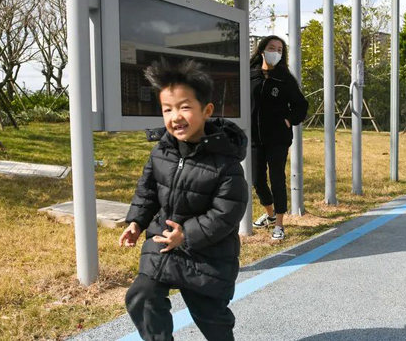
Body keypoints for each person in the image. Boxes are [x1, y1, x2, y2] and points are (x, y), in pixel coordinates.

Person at [119, 58, 248, 341]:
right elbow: (148, 191)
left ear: (206, 110)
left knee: (212, 319)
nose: (175, 116)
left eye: (185, 107)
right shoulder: (161, 152)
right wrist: (136, 223)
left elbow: (227, 213)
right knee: (142, 295)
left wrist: (186, 236)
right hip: (164, 244)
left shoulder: (226, 164)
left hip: (208, 254)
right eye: (168, 109)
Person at [250, 35, 309, 240]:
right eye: (272, 47)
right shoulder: (249, 75)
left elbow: (301, 105)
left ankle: (280, 225)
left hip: (278, 138)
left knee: (277, 178)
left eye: (280, 50)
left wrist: (289, 120)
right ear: (262, 50)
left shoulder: (285, 78)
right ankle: (270, 214)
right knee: (257, 179)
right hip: (254, 138)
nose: (275, 52)